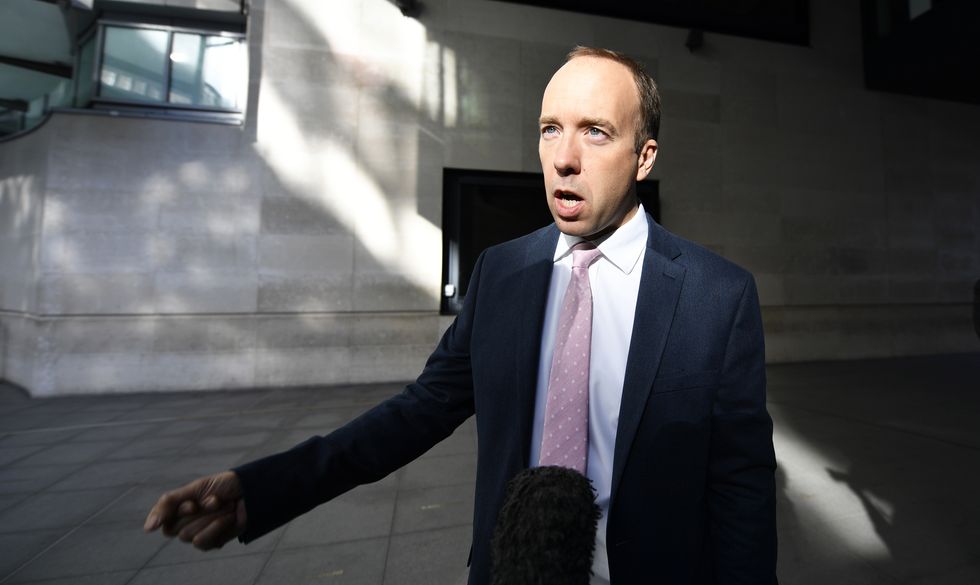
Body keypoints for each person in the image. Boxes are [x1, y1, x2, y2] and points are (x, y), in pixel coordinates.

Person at [145, 46, 777, 584]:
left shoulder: (716, 295)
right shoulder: (502, 273)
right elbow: (419, 410)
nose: (563, 157)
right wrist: (264, 488)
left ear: (643, 157)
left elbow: (742, 486)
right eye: (549, 128)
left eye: (595, 131)